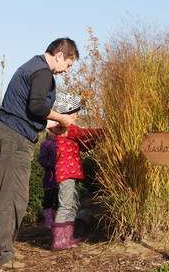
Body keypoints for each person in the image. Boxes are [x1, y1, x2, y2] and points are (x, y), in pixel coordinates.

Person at [0, 38, 79, 269]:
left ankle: (3, 251)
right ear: (59, 55)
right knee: (13, 199)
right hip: (14, 138)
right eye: (68, 64)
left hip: (8, 132)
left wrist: (50, 126)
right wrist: (62, 118)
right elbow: (37, 107)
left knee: (12, 197)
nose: (67, 70)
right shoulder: (43, 72)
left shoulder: (31, 66)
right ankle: (0, 258)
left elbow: (25, 111)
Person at [51, 95, 104, 251]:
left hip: (72, 174)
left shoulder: (71, 134)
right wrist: (103, 131)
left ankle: (67, 237)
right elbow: (84, 133)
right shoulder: (67, 128)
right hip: (66, 174)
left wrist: (98, 140)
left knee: (72, 205)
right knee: (66, 205)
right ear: (68, 114)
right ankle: (59, 240)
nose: (77, 116)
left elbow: (83, 146)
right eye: (75, 113)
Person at [38, 132, 59, 229]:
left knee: (60, 201)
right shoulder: (46, 144)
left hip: (62, 178)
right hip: (51, 178)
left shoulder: (63, 143)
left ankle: (56, 221)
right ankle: (49, 223)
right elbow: (42, 160)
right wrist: (54, 165)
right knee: (48, 200)